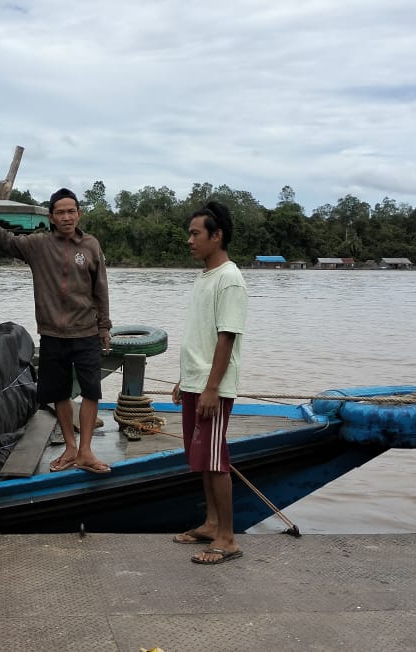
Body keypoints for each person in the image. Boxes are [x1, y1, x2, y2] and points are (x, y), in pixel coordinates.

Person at [0, 189, 113, 474]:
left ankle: (86, 451)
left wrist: (104, 327)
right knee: (60, 392)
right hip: (53, 333)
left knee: (92, 392)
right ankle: (70, 447)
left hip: (86, 332)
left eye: (71, 211)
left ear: (79, 214)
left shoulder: (91, 245)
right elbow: (5, 241)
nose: (67, 217)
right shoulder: (39, 245)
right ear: (52, 217)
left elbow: (100, 290)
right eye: (60, 212)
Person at [171, 200, 248, 565]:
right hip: (196, 381)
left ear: (216, 237)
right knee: (201, 458)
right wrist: (185, 380)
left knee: (216, 459)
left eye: (195, 233)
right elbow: (200, 336)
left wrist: (212, 388)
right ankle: (211, 522)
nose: (190, 240)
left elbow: (225, 337)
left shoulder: (230, 278)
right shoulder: (206, 277)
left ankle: (228, 538)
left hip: (211, 387)